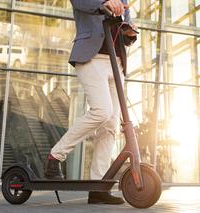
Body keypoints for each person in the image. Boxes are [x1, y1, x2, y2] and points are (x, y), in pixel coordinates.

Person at [44, 0, 137, 205]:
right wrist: (105, 3)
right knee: (102, 111)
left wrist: (130, 34)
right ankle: (55, 156)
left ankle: (98, 187)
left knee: (111, 125)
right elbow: (82, 3)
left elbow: (126, 26)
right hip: (90, 58)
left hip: (116, 62)